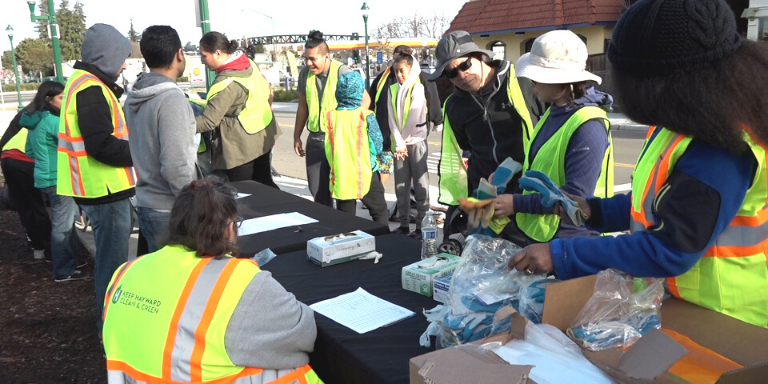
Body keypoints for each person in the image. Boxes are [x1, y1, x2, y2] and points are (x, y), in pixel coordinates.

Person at [508, 0, 768, 328]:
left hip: (728, 318)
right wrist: (594, 211)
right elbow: (659, 203)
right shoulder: (685, 120)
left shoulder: (721, 147)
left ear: (659, 80)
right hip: (681, 303)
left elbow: (672, 248)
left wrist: (562, 255)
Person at [102, 179, 321, 383]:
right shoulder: (238, 281)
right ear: (228, 227)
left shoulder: (125, 271)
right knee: (293, 371)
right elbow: (303, 335)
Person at [492, 30, 614, 244]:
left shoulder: (588, 125)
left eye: (537, 75)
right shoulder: (555, 110)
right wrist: (508, 171)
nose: (531, 82)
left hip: (572, 241)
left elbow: (575, 199)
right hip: (546, 236)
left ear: (561, 81)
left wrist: (516, 203)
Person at [429, 31, 545, 245]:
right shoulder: (454, 106)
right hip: (484, 199)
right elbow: (468, 148)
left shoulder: (522, 82)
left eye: (464, 65)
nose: (461, 75)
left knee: (527, 264)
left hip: (526, 195)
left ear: (480, 56)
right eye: (451, 73)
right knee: (482, 266)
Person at [57, 23, 135, 328]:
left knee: (108, 261)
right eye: (121, 57)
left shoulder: (81, 83)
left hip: (96, 189)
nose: (124, 64)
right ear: (105, 56)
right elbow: (100, 144)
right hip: (105, 190)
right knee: (112, 266)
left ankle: (109, 324)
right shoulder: (91, 89)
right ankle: (110, 329)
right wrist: (140, 152)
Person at [124, 25, 198, 253]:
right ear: (179, 54)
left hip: (147, 202)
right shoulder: (171, 100)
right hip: (171, 209)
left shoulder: (134, 97)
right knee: (180, 283)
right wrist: (195, 204)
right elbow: (174, 165)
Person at [293, 30, 370, 207]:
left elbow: (365, 99)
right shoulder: (305, 73)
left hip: (337, 141)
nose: (308, 63)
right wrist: (297, 136)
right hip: (316, 141)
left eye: (313, 59)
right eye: (306, 58)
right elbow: (303, 106)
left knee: (342, 191)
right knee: (318, 191)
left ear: (326, 57)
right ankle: (326, 226)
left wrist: (350, 125)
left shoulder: (341, 71)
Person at [196, 31, 279, 188]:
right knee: (265, 184)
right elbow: (268, 90)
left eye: (203, 55)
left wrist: (179, 126)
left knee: (244, 191)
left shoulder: (228, 83)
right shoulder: (248, 64)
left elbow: (208, 121)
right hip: (263, 136)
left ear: (218, 53)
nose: (202, 61)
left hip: (241, 147)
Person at [22, 81, 87, 281]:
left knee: (63, 221)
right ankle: (63, 270)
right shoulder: (52, 121)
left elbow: (29, 151)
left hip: (45, 178)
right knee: (63, 225)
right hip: (58, 179)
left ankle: (70, 261)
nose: (64, 100)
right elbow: (76, 143)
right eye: (61, 97)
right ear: (48, 99)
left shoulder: (35, 121)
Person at [369, 45, 443, 186]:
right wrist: (437, 120)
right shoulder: (418, 77)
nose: (399, 74)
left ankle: (383, 199)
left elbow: (371, 100)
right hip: (394, 133)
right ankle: (406, 201)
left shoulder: (384, 77)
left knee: (391, 169)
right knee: (410, 172)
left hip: (399, 134)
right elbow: (432, 99)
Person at [325, 72, 389, 225]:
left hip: (341, 175)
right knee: (379, 212)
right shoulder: (365, 115)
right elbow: (378, 144)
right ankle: (384, 242)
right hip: (366, 173)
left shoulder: (330, 116)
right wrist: (386, 166)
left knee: (346, 219)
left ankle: (348, 245)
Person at [1, 96, 53, 263]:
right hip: (26, 160)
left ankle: (37, 249)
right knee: (38, 205)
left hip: (7, 156)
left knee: (24, 206)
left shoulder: (26, 116)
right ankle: (50, 250)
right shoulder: (49, 118)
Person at [386, 50, 431, 238]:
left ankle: (421, 226)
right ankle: (404, 224)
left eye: (402, 70)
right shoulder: (393, 89)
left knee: (421, 185)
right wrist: (398, 143)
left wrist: (402, 142)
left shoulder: (417, 88)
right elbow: (391, 118)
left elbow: (413, 117)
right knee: (401, 186)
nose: (399, 75)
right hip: (400, 146)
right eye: (396, 71)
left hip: (416, 142)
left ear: (411, 70)